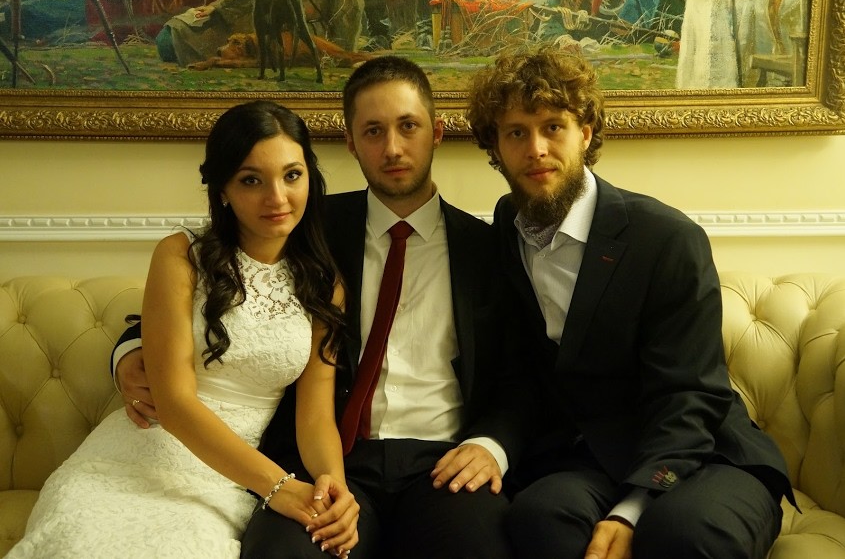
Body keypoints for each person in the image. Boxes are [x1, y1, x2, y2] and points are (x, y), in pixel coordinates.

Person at [112, 56, 524, 558]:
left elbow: (524, 375)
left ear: (436, 132)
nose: (393, 148)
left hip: (443, 463)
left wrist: (492, 445)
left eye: (408, 126)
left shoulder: (490, 248)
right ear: (351, 142)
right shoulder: (302, 222)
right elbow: (211, 290)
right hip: (326, 457)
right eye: (373, 131)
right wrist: (128, 352)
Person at [465, 47, 795, 559]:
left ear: (585, 134)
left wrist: (632, 509)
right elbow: (520, 374)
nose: (536, 149)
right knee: (538, 516)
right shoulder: (508, 229)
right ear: (496, 147)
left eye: (553, 127)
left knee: (682, 533)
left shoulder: (667, 238)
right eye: (516, 133)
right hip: (595, 458)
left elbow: (690, 393)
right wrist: (492, 444)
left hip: (706, 452)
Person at [8, 100, 359, 558]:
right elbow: (173, 405)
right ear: (223, 189)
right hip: (133, 457)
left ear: (310, 176)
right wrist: (278, 487)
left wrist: (333, 486)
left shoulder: (324, 284)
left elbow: (315, 417)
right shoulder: (180, 256)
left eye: (292, 175)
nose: (277, 197)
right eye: (251, 180)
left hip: (224, 478)